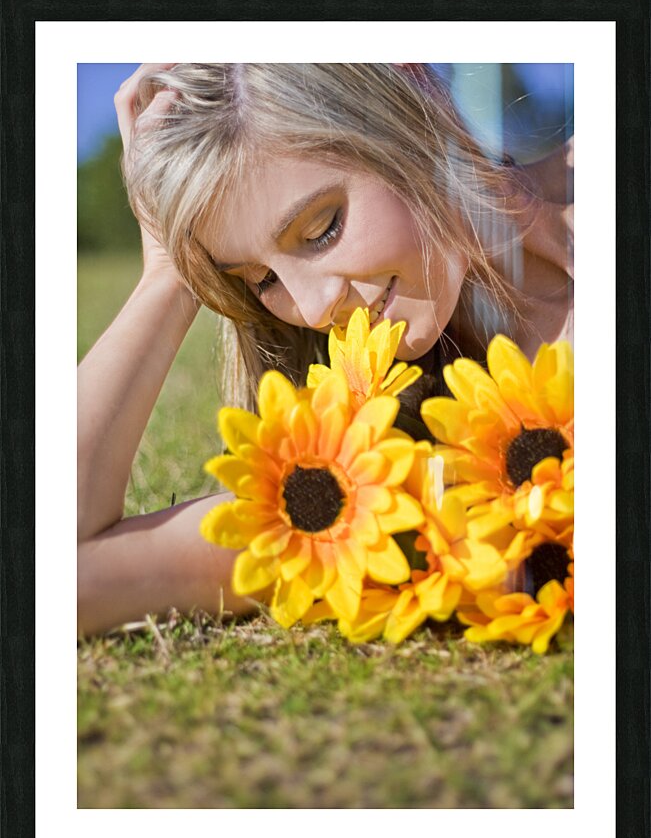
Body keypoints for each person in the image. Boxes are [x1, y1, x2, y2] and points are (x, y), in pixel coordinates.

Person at [77, 63, 573, 636]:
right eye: (260, 279)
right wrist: (168, 275)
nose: (312, 310)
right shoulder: (368, 467)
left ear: (405, 114)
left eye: (321, 230)